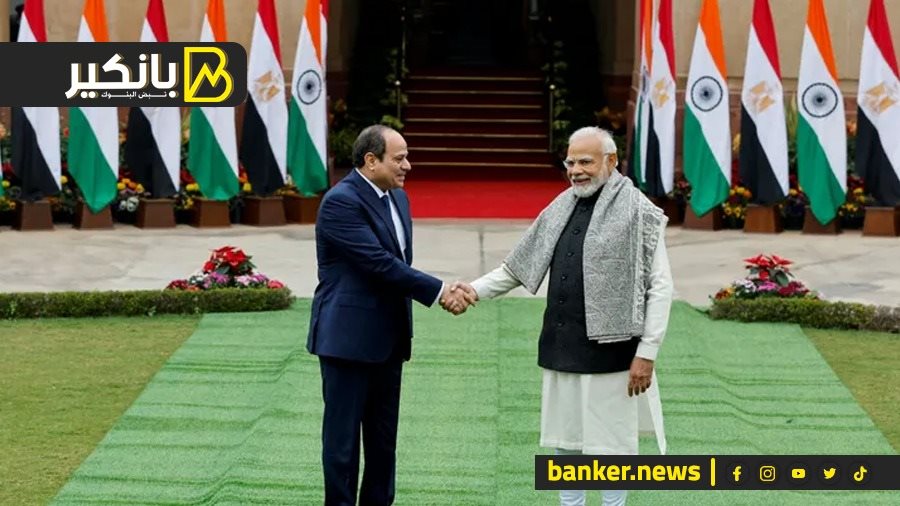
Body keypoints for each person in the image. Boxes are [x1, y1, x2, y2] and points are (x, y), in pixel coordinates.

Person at [460, 126, 673, 506]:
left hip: (614, 353)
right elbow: (518, 266)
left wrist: (647, 352)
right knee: (566, 444)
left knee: (611, 449)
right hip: (562, 347)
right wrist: (473, 290)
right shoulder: (562, 205)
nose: (575, 170)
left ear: (611, 161)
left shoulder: (640, 212)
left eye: (585, 162)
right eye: (570, 162)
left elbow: (660, 287)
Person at [308, 124, 475, 505]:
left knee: (383, 443)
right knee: (342, 445)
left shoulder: (399, 199)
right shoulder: (340, 202)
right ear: (371, 161)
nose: (407, 166)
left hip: (389, 340)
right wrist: (440, 291)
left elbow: (397, 264)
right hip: (347, 342)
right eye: (399, 159)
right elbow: (378, 264)